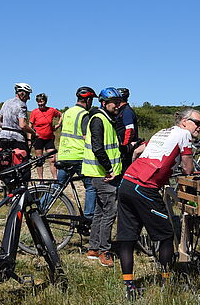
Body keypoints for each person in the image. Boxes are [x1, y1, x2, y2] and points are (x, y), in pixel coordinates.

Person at [115, 108, 200, 299]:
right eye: (197, 122)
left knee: (128, 237)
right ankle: (166, 282)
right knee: (166, 234)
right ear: (184, 122)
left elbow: (138, 150)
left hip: (127, 181)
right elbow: (187, 167)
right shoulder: (184, 134)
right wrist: (185, 170)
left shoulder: (163, 131)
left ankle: (129, 287)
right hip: (144, 187)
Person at [82, 87, 124, 267]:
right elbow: (97, 147)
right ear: (104, 103)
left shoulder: (107, 119)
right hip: (103, 174)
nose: (118, 105)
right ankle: (105, 251)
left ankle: (93, 248)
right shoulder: (99, 119)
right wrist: (109, 169)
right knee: (110, 212)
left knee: (100, 211)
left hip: (103, 173)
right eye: (115, 103)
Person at [56, 86, 98, 220]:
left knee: (57, 187)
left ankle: (39, 210)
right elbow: (86, 136)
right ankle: (89, 217)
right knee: (91, 186)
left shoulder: (67, 112)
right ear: (88, 99)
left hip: (64, 154)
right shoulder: (84, 114)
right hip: (78, 155)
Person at [0, 83, 35, 169]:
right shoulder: (22, 105)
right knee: (22, 165)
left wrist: (6, 126)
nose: (28, 98)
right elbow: (23, 125)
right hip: (17, 139)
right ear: (22, 93)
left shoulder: (6, 102)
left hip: (3, 137)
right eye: (28, 94)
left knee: (5, 164)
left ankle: (6, 181)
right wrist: (33, 132)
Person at [29, 93, 62, 179]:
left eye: (42, 101)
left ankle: (55, 178)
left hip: (49, 138)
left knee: (52, 159)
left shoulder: (51, 110)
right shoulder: (34, 112)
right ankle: (41, 179)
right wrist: (29, 139)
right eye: (38, 102)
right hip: (38, 138)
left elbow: (61, 115)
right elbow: (30, 126)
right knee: (39, 160)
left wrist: (58, 125)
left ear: (45, 101)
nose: (40, 104)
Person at [116, 87, 140, 161]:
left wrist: (125, 146)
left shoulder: (126, 111)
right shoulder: (121, 110)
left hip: (126, 150)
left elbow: (129, 129)